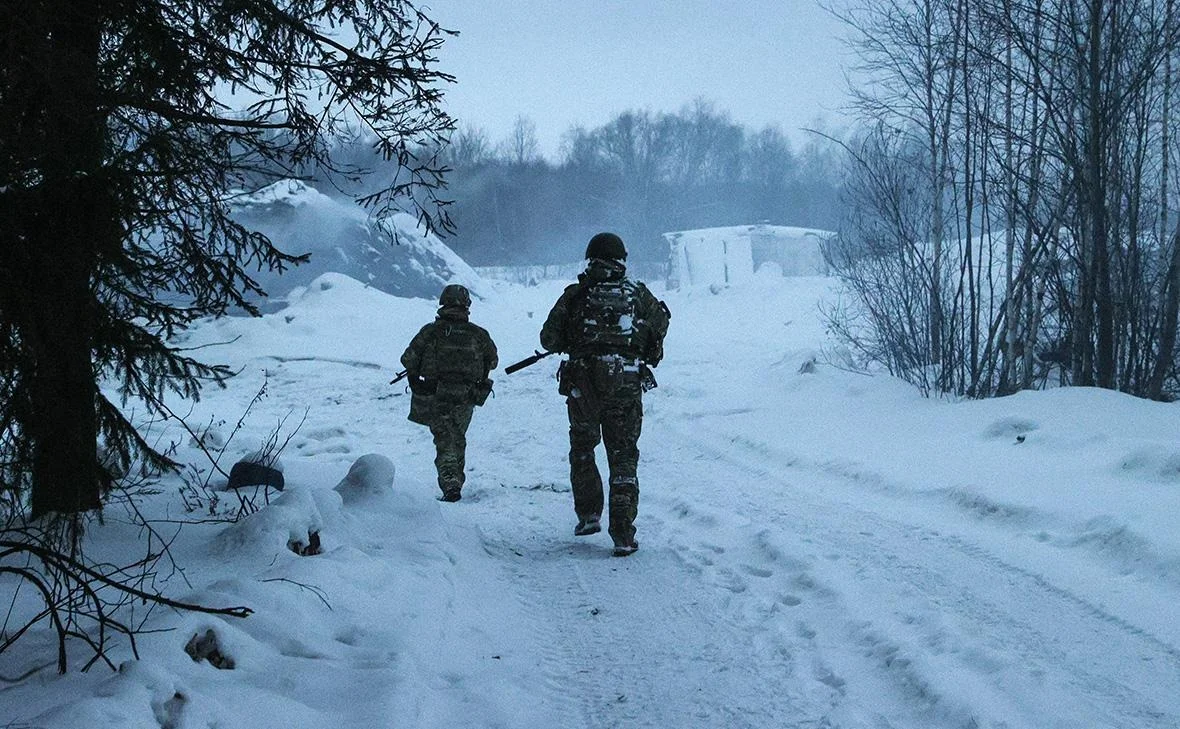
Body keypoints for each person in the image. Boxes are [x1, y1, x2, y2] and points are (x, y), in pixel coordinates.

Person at [540, 232, 670, 556]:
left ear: (591, 259)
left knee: (583, 448)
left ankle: (588, 516)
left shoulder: (576, 294)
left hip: (583, 386)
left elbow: (548, 339)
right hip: (625, 385)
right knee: (623, 457)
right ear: (622, 260)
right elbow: (659, 331)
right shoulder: (638, 294)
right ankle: (624, 535)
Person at [400, 284, 498, 502]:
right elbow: (492, 360)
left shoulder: (430, 331)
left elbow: (408, 359)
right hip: (467, 395)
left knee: (444, 439)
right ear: (467, 305)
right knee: (457, 438)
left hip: (436, 393)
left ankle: (450, 484)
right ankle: (454, 481)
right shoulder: (478, 334)